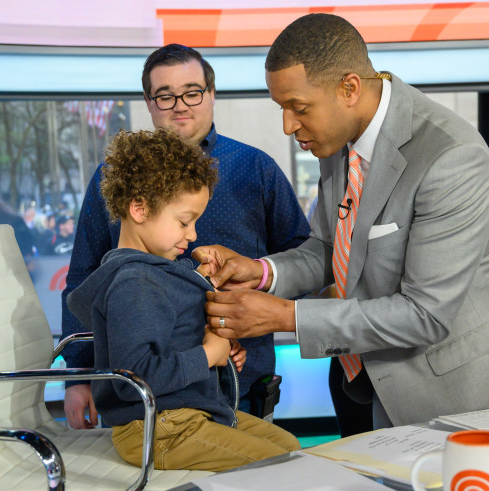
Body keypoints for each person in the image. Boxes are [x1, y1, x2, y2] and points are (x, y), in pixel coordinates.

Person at [196, 13, 489, 429]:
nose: (289, 125)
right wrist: (261, 272)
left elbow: (427, 314)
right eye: (282, 108)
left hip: (466, 395)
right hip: (364, 385)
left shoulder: (451, 156)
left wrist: (285, 316)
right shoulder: (336, 141)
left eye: (299, 108)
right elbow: (333, 248)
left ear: (349, 88)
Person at [60, 43, 310, 430]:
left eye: (192, 91)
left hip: (242, 381)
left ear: (211, 93)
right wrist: (77, 375)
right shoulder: (114, 180)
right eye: (165, 95)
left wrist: (250, 314)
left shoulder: (256, 169)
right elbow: (83, 276)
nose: (180, 104)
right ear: (148, 102)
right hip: (146, 403)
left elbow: (301, 260)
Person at [66, 128, 300, 470]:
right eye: (184, 222)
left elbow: (171, 335)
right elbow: (135, 380)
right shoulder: (133, 283)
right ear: (139, 209)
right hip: (155, 429)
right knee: (283, 465)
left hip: (191, 415)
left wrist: (219, 348)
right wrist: (206, 355)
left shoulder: (159, 273)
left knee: (292, 448)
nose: (192, 236)